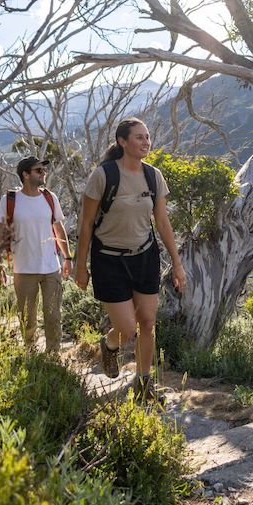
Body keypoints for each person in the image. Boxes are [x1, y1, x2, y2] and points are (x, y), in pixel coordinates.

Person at [74, 118, 186, 400]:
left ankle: (144, 385)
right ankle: (110, 345)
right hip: (108, 259)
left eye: (147, 137)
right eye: (139, 137)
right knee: (126, 328)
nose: (146, 142)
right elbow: (86, 223)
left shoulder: (153, 176)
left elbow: (162, 221)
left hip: (144, 256)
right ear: (122, 142)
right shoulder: (104, 175)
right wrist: (80, 266)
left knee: (147, 323)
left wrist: (177, 263)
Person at [0, 156, 71, 354]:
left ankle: (53, 356)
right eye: (38, 170)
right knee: (28, 319)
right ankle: (31, 354)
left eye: (44, 170)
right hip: (24, 269)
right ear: (25, 175)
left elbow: (59, 230)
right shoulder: (10, 200)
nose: (43, 173)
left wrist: (68, 258)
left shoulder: (50, 198)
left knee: (53, 316)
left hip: (51, 267)